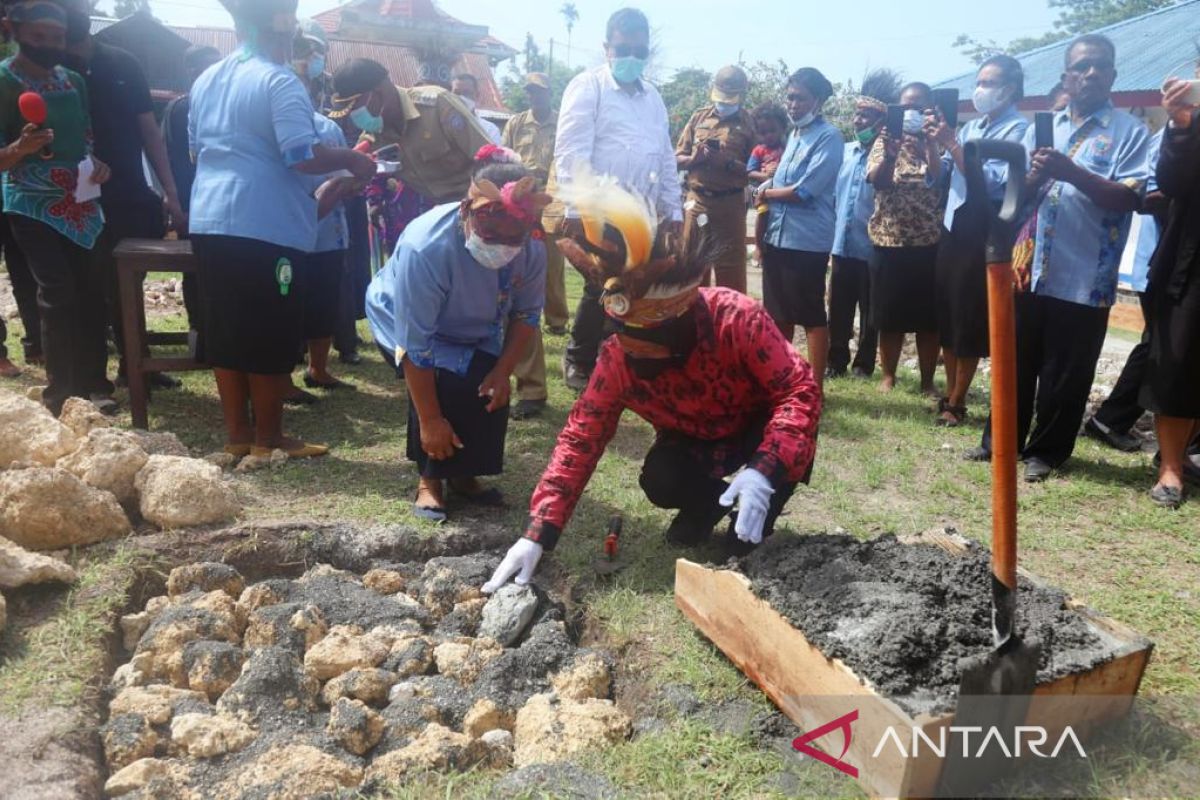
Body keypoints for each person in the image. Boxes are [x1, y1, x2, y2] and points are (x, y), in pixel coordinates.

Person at [481, 174, 821, 592]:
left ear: (679, 328)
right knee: (661, 479)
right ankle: (706, 506)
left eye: (650, 353)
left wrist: (766, 470)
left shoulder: (736, 318)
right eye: (631, 350)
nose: (638, 361)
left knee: (746, 542)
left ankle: (757, 494)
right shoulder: (618, 360)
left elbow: (799, 391)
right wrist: (538, 532)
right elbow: (579, 440)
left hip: (761, 433)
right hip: (693, 441)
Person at [188, 0, 375, 459]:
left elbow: (197, 153)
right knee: (271, 329)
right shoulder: (278, 80)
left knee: (227, 330)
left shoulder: (207, 78)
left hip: (210, 218)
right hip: (265, 224)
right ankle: (270, 438)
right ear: (284, 25)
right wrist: (352, 160)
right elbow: (301, 155)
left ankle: (237, 435)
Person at [966, 34, 1151, 483]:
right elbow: (1018, 192)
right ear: (1066, 76)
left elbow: (1129, 198)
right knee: (1015, 360)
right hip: (1029, 267)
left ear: (1112, 75)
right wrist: (1033, 176)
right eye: (1081, 66)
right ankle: (1000, 442)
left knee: (1065, 373)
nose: (1090, 73)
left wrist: (1070, 172)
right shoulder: (1041, 128)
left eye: (1100, 66)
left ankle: (1046, 452)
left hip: (1085, 273)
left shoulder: (1129, 132)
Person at [364, 146, 548, 521]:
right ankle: (430, 480)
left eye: (514, 237)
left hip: (476, 326)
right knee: (444, 382)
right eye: (491, 231)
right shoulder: (427, 247)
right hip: (406, 320)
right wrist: (431, 422)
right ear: (467, 210)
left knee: (485, 385)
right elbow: (416, 347)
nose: (501, 245)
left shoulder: (532, 248)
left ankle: (465, 475)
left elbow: (527, 314)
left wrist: (502, 371)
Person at [553, 7, 683, 393]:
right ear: (606, 47)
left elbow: (665, 156)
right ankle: (579, 357)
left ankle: (619, 360)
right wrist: (577, 210)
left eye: (640, 51)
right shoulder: (588, 86)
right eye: (623, 48)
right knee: (600, 287)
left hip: (641, 216)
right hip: (598, 211)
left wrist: (673, 210)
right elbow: (572, 151)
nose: (632, 58)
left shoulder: (653, 98)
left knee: (633, 290)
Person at [60, 0, 186, 390]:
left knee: (130, 282)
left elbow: (149, 131)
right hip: (74, 199)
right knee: (88, 287)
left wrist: (170, 192)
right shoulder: (48, 71)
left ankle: (135, 363)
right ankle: (94, 375)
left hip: (129, 192)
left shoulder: (121, 63)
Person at [0, 0, 113, 414]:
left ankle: (95, 387)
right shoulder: (3, 81)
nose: (50, 46)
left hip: (80, 201)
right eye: (39, 38)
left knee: (91, 292)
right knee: (57, 292)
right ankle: (60, 396)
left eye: (58, 38)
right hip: (30, 202)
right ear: (13, 32)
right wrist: (20, 147)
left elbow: (84, 138)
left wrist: (97, 165)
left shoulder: (73, 81)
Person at [931, 55, 1028, 426]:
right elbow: (941, 177)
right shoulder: (973, 127)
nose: (981, 89)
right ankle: (950, 389)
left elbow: (992, 183)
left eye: (990, 83)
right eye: (980, 81)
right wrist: (933, 146)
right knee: (948, 311)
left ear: (1011, 89)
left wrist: (953, 146)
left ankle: (957, 400)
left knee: (968, 317)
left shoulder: (1017, 129)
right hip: (953, 225)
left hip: (983, 228)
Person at [754, 67, 842, 383]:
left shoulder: (829, 137)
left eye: (800, 99)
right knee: (779, 315)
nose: (793, 105)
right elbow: (781, 179)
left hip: (807, 241)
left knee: (810, 315)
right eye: (790, 97)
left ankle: (815, 386)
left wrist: (764, 192)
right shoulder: (794, 135)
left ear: (817, 100)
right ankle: (782, 379)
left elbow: (805, 191)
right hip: (779, 236)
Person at [1083, 125, 1164, 452]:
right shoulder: (1170, 136)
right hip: (1164, 264)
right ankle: (1110, 420)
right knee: (1159, 344)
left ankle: (1112, 419)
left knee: (1160, 344)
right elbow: (1147, 197)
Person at [1139, 72, 1200, 507]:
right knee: (1177, 361)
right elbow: (1171, 183)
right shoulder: (1190, 127)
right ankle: (1171, 468)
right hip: (1192, 261)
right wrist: (1180, 125)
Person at [866, 81, 944, 395]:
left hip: (929, 243)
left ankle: (927, 381)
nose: (911, 112)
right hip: (888, 241)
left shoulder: (940, 140)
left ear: (931, 110)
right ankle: (888, 376)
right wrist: (889, 154)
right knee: (890, 317)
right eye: (905, 106)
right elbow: (878, 181)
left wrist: (930, 147)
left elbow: (941, 177)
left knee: (929, 319)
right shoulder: (884, 140)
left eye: (919, 106)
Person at [288, 21, 352, 400]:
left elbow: (340, 180)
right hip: (312, 230)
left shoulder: (326, 128)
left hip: (302, 233)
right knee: (315, 299)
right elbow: (341, 181)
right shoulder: (324, 128)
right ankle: (315, 367)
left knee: (312, 298)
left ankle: (314, 368)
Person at [827, 71, 899, 379]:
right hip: (841, 243)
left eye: (866, 116)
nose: (858, 121)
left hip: (872, 245)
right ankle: (835, 359)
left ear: (882, 123)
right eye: (857, 115)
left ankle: (864, 363)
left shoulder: (891, 158)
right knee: (838, 306)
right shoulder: (843, 151)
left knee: (870, 310)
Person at [503, 72, 562, 420]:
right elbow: (505, 161)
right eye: (529, 91)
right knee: (516, 286)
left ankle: (556, 318)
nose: (532, 96)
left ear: (548, 92)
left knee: (550, 270)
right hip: (519, 205)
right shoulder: (515, 123)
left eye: (538, 91)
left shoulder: (561, 122)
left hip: (550, 203)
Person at [675, 65, 757, 293]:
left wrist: (728, 163)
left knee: (731, 275)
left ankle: (728, 326)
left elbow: (757, 170)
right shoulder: (698, 117)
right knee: (692, 269)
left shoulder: (751, 124)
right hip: (697, 202)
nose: (725, 102)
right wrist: (694, 159)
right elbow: (676, 157)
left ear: (742, 94)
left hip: (730, 206)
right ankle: (692, 325)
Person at [162, 44, 220, 332]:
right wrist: (177, 206)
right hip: (192, 204)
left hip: (213, 204)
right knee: (196, 271)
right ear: (192, 71)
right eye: (207, 66)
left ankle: (211, 331)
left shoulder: (213, 104)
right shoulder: (184, 107)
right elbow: (180, 164)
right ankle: (201, 331)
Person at [451, 72, 502, 145]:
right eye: (456, 93)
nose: (461, 98)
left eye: (466, 93)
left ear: (477, 96)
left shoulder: (489, 129)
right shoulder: (444, 126)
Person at [747, 102, 788, 187]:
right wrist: (766, 176)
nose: (769, 136)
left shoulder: (788, 147)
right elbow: (750, 172)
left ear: (783, 128)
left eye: (773, 130)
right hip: (764, 191)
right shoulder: (758, 150)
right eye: (763, 133)